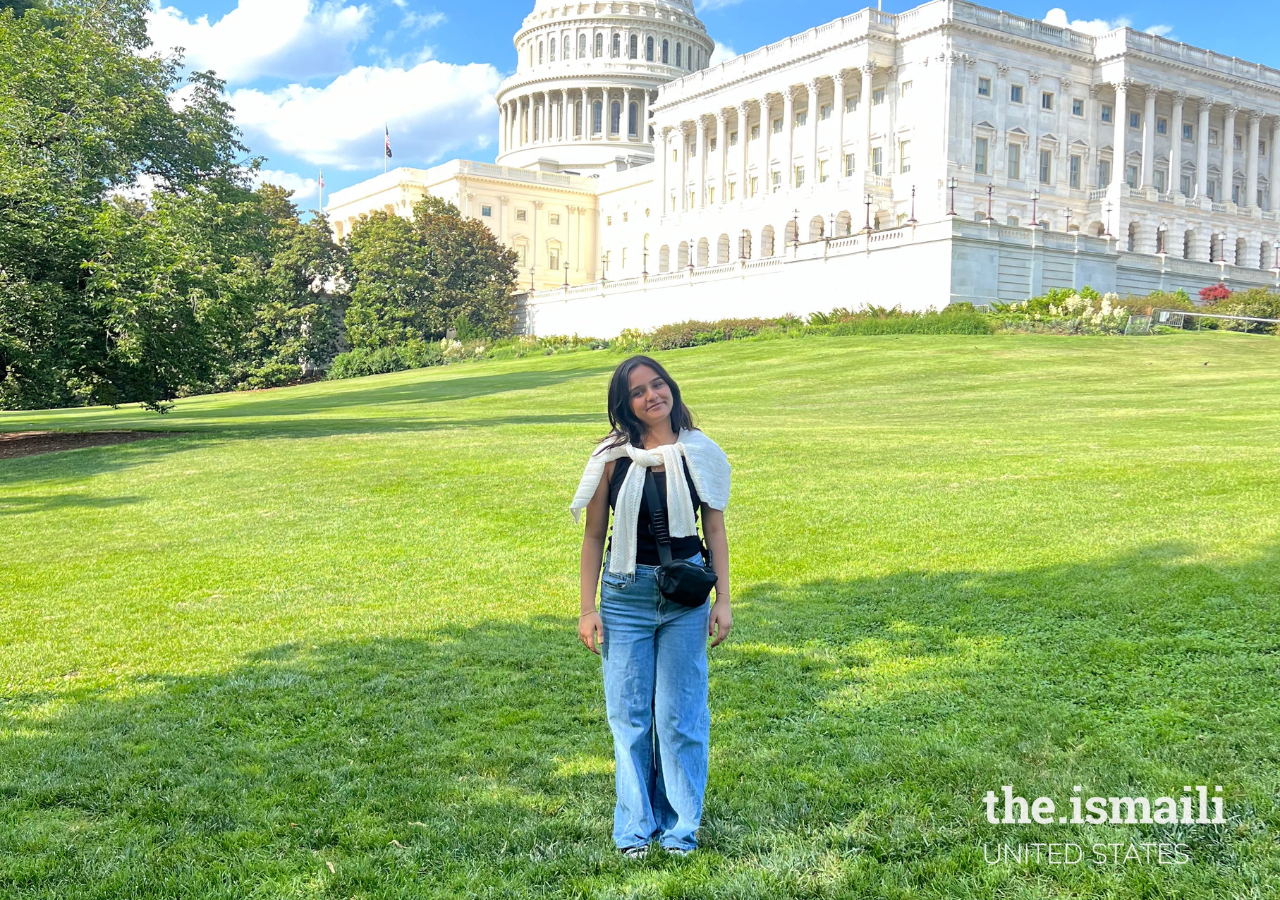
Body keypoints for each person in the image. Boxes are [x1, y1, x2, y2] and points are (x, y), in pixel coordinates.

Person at [570, 355, 732, 860]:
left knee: (681, 717)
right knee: (630, 717)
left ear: (671, 388)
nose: (651, 396)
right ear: (626, 405)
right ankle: (635, 829)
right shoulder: (611, 458)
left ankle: (682, 828)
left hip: (685, 600)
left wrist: (724, 599)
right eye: (637, 391)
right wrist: (586, 608)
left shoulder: (698, 451)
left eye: (656, 385)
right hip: (624, 596)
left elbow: (716, 529)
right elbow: (595, 534)